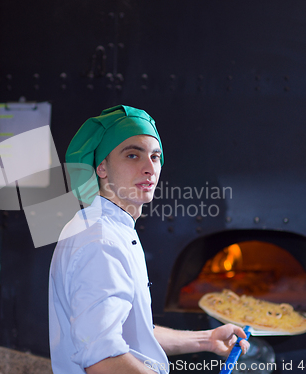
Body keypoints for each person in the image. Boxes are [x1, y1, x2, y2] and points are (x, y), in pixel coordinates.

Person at [48, 105, 249, 374]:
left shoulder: (111, 228)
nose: (149, 168)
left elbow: (132, 332)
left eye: (155, 157)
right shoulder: (101, 242)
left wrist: (207, 340)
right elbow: (103, 358)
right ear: (102, 168)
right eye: (133, 155)